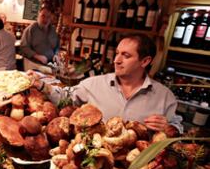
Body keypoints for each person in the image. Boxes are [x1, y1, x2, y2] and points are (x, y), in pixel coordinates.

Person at [29, 33, 182, 132]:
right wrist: (41, 85)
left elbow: (178, 128)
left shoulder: (164, 96)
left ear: (145, 61)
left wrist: (169, 128)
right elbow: (65, 96)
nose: (116, 60)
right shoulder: (94, 84)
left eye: (126, 56)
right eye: (117, 54)